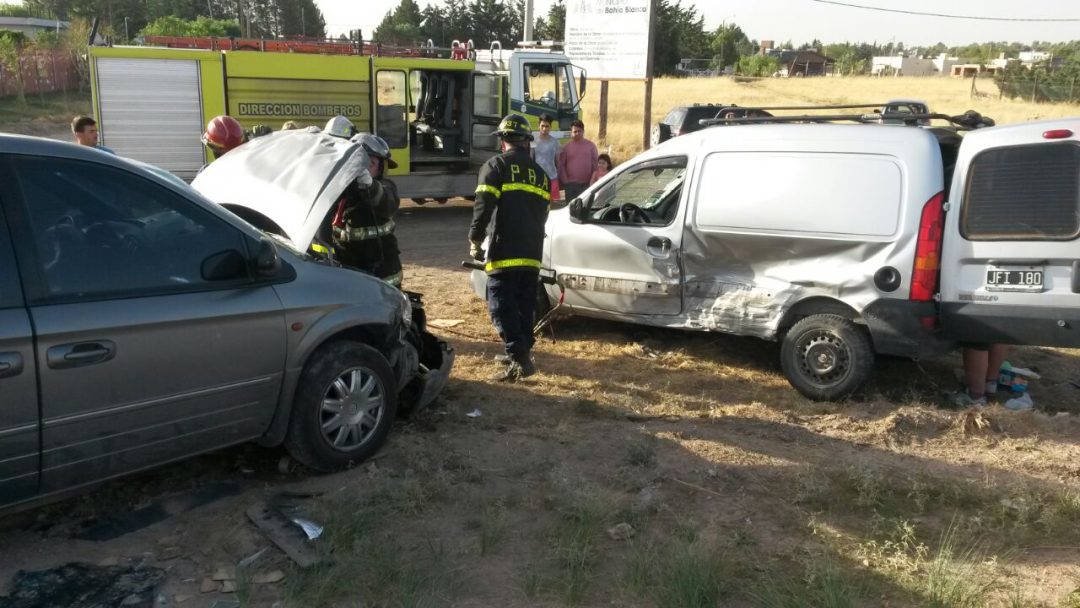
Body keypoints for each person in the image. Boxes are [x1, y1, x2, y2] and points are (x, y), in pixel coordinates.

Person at [469, 114, 551, 382]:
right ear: (527, 141)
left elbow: (483, 207)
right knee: (525, 304)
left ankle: (519, 358)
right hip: (532, 250)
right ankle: (521, 351)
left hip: (504, 249)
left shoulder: (496, 166)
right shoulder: (541, 176)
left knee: (501, 305)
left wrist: (475, 240)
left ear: (503, 141)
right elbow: (544, 213)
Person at [320, 117, 404, 287]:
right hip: (351, 273)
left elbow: (388, 203)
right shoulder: (340, 191)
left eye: (371, 164)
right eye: (362, 163)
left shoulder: (385, 187)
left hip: (383, 278)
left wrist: (370, 187)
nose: (365, 169)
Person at [557, 119, 598, 202]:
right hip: (571, 185)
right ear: (571, 132)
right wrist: (566, 181)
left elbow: (595, 164)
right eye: (575, 131)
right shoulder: (566, 147)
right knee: (570, 209)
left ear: (583, 131)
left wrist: (593, 181)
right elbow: (562, 165)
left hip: (587, 184)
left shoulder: (591, 146)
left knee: (584, 208)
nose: (577, 133)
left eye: (579, 131)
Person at [532, 114, 561, 201]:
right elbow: (530, 159)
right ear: (538, 126)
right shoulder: (532, 141)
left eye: (547, 126)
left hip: (552, 178)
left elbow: (557, 161)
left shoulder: (555, 142)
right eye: (542, 126)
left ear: (550, 127)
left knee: (553, 205)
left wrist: (559, 175)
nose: (544, 128)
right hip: (537, 179)